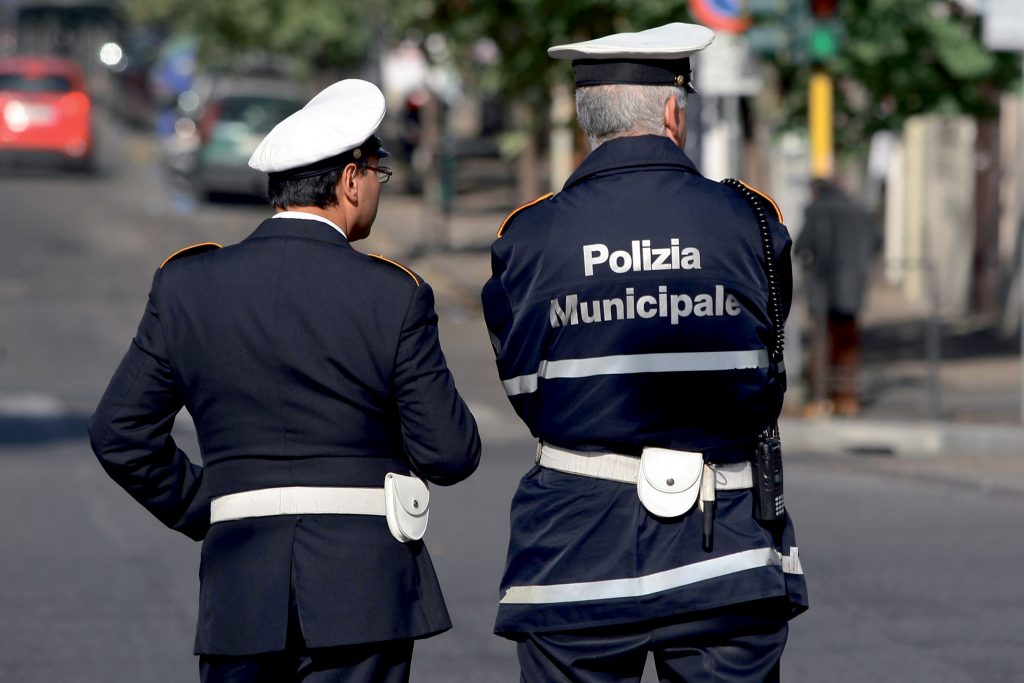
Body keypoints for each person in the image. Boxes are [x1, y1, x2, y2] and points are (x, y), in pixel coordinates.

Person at [89, 79, 481, 683]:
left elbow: (120, 432)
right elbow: (450, 454)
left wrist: (206, 506)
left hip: (240, 589)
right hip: (364, 599)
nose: (379, 184)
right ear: (350, 181)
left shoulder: (187, 286)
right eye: (377, 171)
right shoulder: (393, 294)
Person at [481, 23, 808, 681]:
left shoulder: (528, 235)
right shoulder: (751, 219)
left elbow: (524, 388)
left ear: (586, 121)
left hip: (575, 549)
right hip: (726, 550)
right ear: (672, 114)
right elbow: (766, 372)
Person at [795, 178, 879, 417]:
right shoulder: (860, 212)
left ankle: (821, 399)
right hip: (852, 288)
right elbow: (877, 242)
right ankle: (848, 398)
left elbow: (801, 247)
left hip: (823, 288)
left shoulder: (816, 211)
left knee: (822, 343)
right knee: (848, 345)